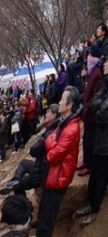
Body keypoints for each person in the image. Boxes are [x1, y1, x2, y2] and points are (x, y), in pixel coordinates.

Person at [36, 86, 81, 237]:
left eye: (62, 100)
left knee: (47, 221)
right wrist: (53, 144)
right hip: (52, 175)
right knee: (43, 215)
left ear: (69, 105)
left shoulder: (71, 129)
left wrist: (51, 145)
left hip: (58, 179)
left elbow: (52, 156)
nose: (59, 102)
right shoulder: (64, 122)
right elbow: (50, 138)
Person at [73, 56, 108, 227]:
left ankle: (95, 208)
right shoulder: (105, 85)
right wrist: (96, 106)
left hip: (106, 143)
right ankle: (89, 202)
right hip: (99, 140)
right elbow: (93, 103)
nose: (105, 64)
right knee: (94, 175)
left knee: (101, 177)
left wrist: (96, 107)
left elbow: (102, 115)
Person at [0, 104, 60, 197]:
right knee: (24, 162)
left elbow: (35, 151)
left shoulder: (52, 132)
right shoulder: (53, 128)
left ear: (54, 115)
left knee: (19, 186)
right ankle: (15, 180)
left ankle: (24, 206)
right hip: (41, 165)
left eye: (48, 112)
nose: (45, 114)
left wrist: (34, 148)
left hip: (42, 172)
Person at [77, 44, 103, 177]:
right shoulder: (92, 71)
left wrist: (87, 107)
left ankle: (89, 165)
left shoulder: (97, 74)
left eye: (90, 55)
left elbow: (96, 97)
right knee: (86, 139)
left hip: (91, 115)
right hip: (87, 114)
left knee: (89, 140)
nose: (88, 57)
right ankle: (86, 162)